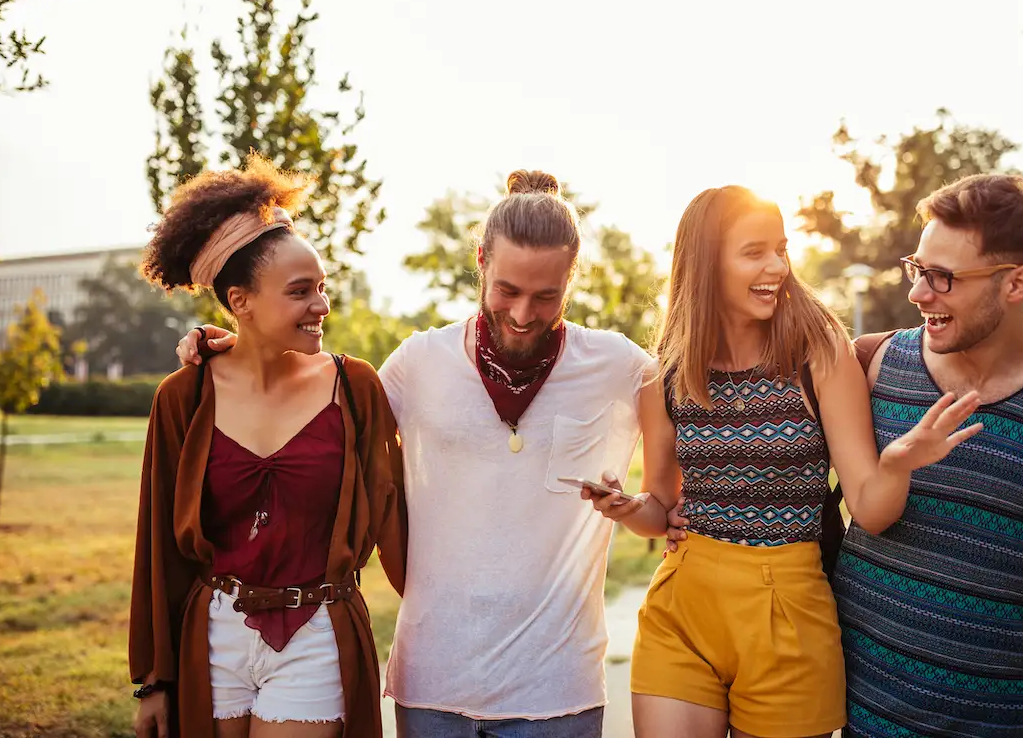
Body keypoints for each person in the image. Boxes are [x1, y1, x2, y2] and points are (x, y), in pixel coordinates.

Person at [176, 170, 655, 738]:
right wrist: (239, 343)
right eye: (507, 290)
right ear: (481, 260)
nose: (524, 314)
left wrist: (642, 509)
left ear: (571, 281)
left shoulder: (622, 367)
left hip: (559, 693)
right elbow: (327, 405)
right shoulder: (417, 363)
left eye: (546, 296)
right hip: (432, 687)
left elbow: (687, 442)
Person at [667, 174, 1023, 737]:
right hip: (861, 701)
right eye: (918, 268)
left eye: (943, 277)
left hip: (997, 714)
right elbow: (762, 450)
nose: (918, 293)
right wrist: (681, 510)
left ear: (1017, 283)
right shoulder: (871, 363)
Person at [582, 185, 982, 738]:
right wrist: (626, 508)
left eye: (781, 248)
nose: (777, 266)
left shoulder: (817, 354)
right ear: (704, 265)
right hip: (683, 608)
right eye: (754, 252)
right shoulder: (665, 374)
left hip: (790, 613)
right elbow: (660, 508)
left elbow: (871, 509)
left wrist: (897, 464)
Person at [129, 155, 406, 738]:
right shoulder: (184, 396)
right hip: (215, 637)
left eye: (323, 288)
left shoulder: (355, 388)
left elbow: (399, 519)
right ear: (241, 302)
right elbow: (158, 545)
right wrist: (154, 679)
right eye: (301, 292)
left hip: (317, 634)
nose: (322, 306)